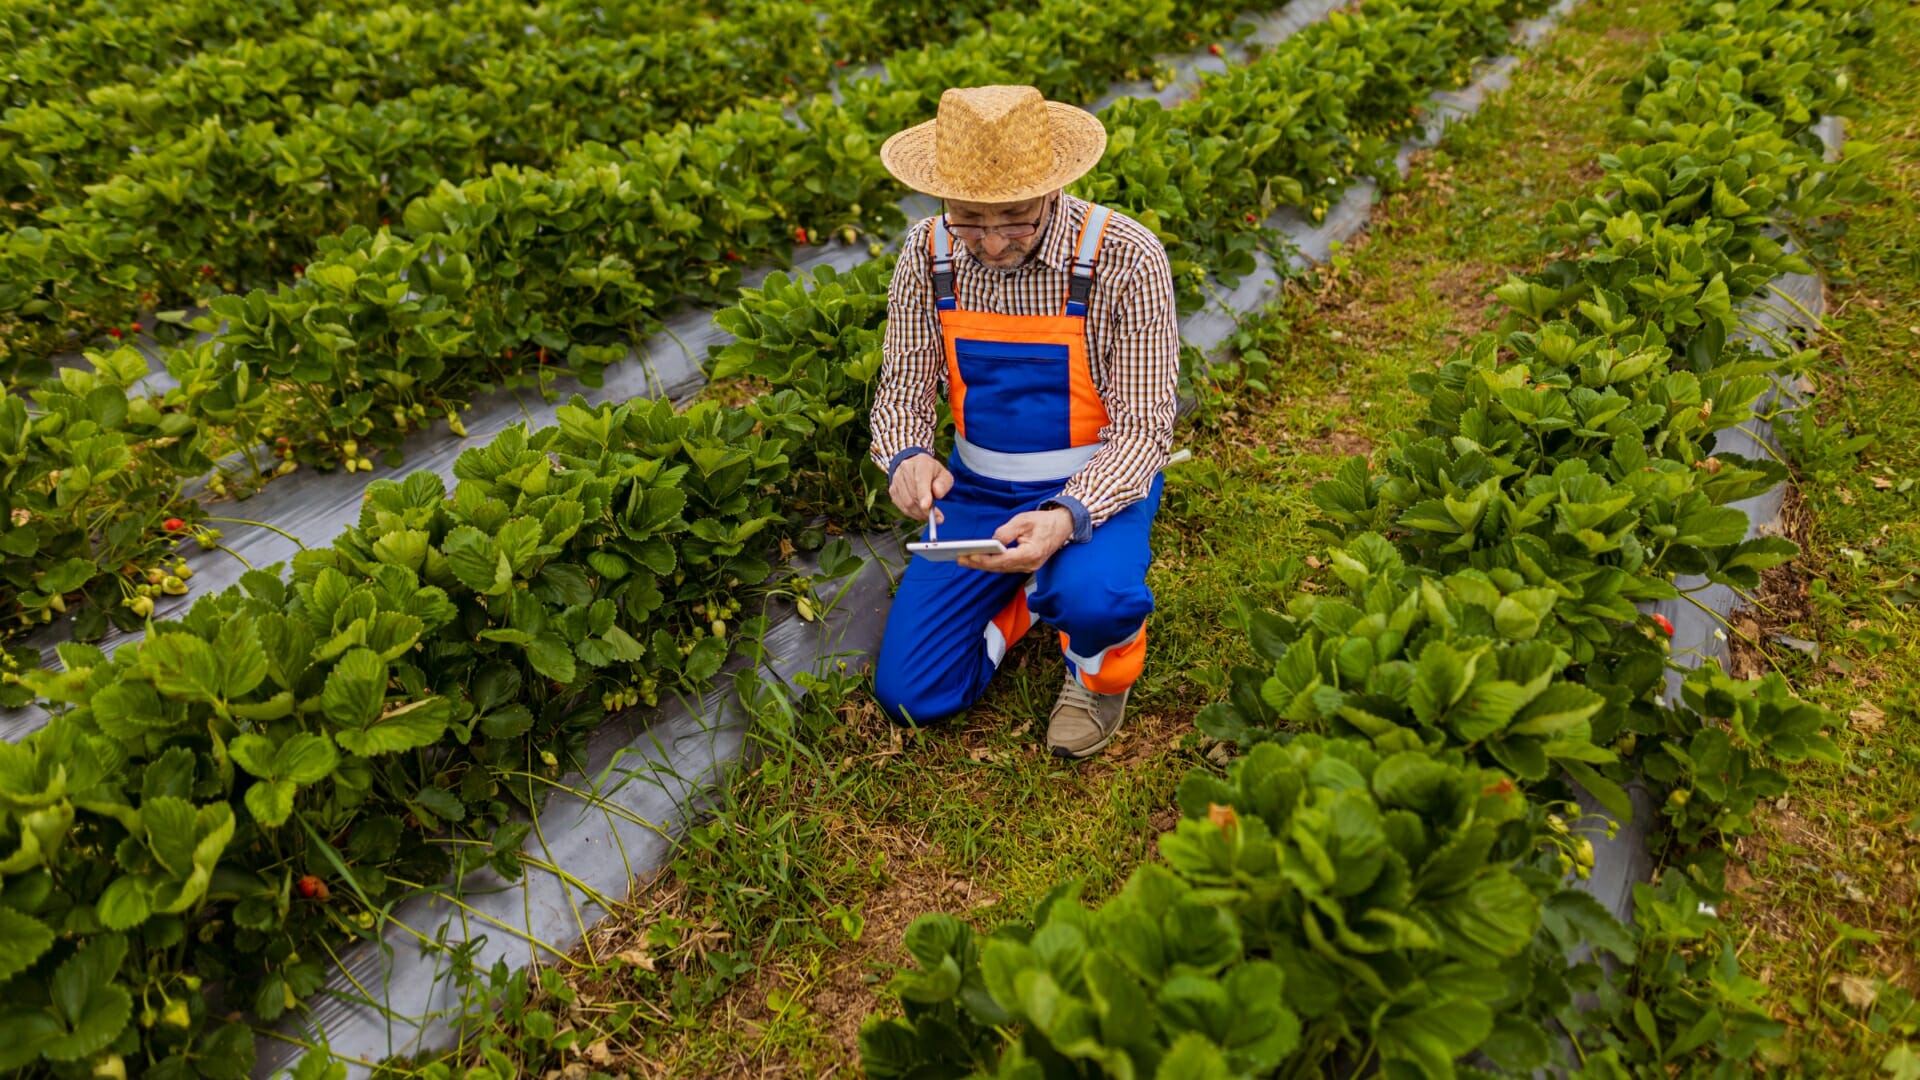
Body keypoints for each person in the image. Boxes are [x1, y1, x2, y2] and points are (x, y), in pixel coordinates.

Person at [867, 84, 1179, 760]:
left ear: (1053, 189)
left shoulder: (1123, 257)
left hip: (1096, 484)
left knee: (1096, 598)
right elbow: (905, 388)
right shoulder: (927, 254)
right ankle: (1030, 598)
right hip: (980, 491)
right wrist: (908, 455)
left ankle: (1099, 673)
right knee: (910, 695)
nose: (992, 240)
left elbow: (1146, 430)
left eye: (1014, 216)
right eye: (968, 218)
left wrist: (1067, 515)